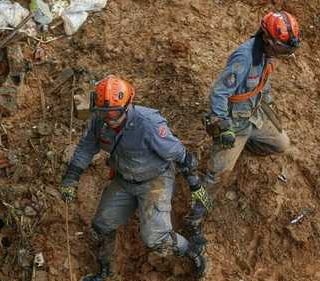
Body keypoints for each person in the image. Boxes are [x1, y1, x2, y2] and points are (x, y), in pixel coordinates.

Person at [60, 75, 211, 281]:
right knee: (102, 224)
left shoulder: (148, 123)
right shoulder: (99, 120)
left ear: (127, 105)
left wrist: (194, 184)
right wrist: (71, 178)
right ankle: (106, 271)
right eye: (104, 112)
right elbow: (86, 148)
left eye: (113, 112)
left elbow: (178, 153)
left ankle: (192, 249)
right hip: (124, 180)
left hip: (154, 181)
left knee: (155, 238)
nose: (109, 118)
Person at [186, 11, 302, 250]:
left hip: (253, 116)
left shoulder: (267, 54)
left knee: (281, 144)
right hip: (233, 124)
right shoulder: (245, 57)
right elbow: (219, 92)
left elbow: (262, 84)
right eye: (282, 48)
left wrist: (266, 101)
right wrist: (221, 125)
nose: (285, 54)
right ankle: (194, 218)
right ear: (269, 40)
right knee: (217, 176)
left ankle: (246, 145)